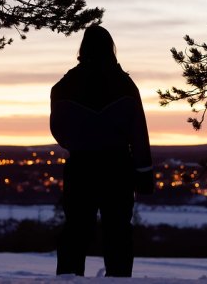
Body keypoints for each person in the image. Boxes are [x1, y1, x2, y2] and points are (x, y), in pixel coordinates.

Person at [50, 25, 153, 277]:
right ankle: (118, 280)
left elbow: (58, 131)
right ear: (111, 49)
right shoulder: (125, 85)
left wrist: (79, 142)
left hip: (80, 166)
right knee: (117, 232)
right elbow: (139, 132)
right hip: (117, 167)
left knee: (75, 231)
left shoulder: (64, 86)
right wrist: (144, 171)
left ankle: (68, 281)